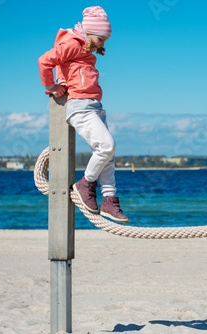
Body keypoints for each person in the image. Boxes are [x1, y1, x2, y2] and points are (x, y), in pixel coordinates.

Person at [38, 6, 129, 223]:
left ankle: (109, 200)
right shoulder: (71, 45)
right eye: (101, 38)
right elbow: (44, 61)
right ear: (89, 32)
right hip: (80, 106)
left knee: (108, 156)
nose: (102, 44)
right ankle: (85, 184)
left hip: (95, 105)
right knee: (107, 147)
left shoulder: (85, 50)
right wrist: (51, 86)